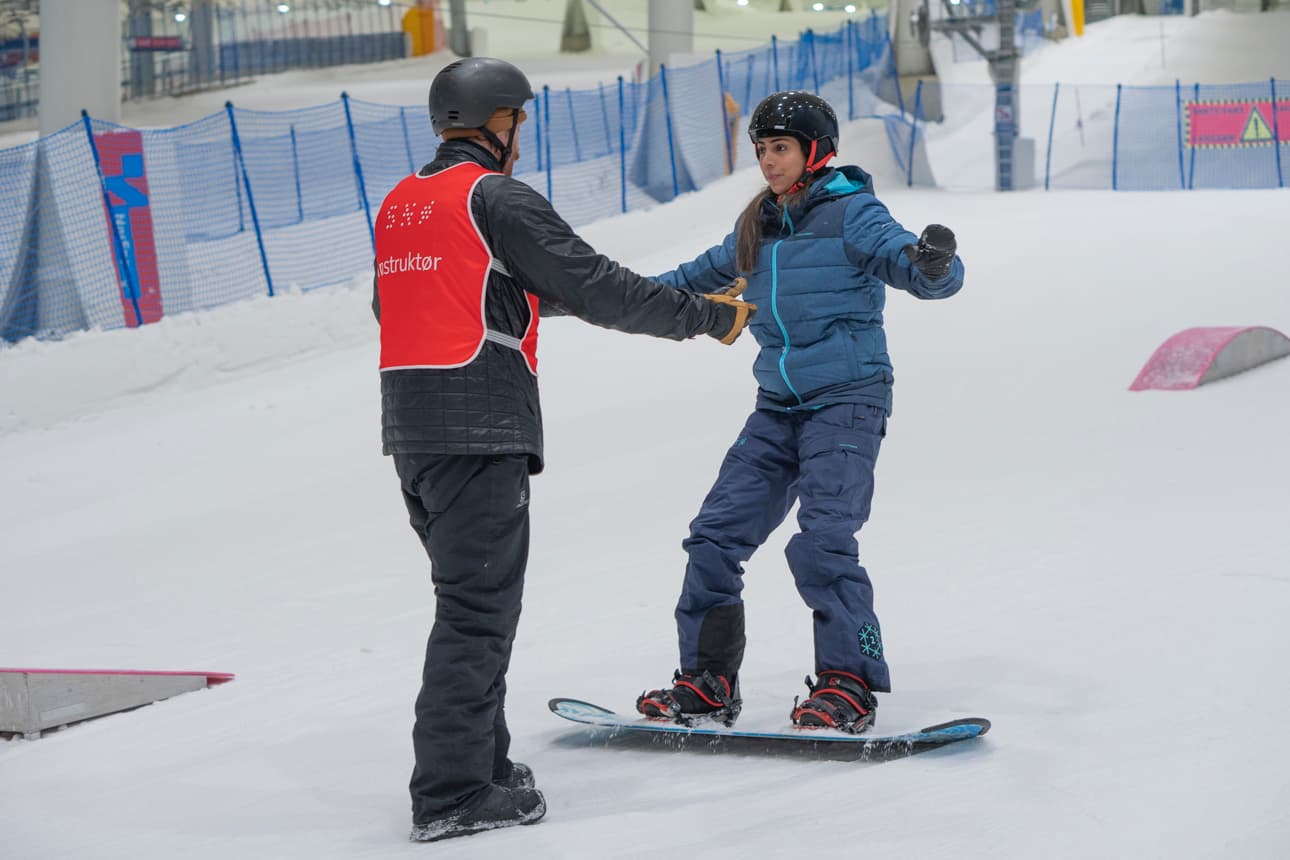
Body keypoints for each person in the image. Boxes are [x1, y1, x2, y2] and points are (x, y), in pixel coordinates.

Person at [372, 57, 756, 843]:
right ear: (497, 123)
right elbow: (593, 284)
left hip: (412, 433)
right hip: (479, 427)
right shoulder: (497, 196)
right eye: (519, 122)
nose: (522, 139)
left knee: (477, 605)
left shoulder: (403, 204)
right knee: (476, 614)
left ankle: (482, 762)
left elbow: (437, 294)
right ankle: (449, 792)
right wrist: (705, 317)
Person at [635, 91, 964, 734]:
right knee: (713, 537)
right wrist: (581, 289)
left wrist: (934, 265)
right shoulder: (757, 223)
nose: (767, 162)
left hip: (847, 400)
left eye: (780, 148)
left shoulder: (853, 214)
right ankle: (707, 682)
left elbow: (910, 265)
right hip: (779, 405)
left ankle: (850, 681)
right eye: (760, 150)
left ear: (815, 152)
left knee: (823, 540)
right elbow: (684, 280)